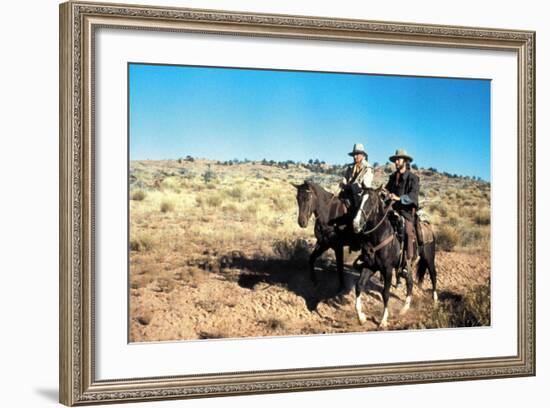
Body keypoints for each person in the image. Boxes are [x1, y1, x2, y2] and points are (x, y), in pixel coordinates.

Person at [385, 148, 419, 276]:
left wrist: (398, 198)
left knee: (407, 232)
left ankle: (406, 262)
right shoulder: (393, 177)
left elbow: (413, 197)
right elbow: (387, 189)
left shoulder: (413, 178)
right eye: (395, 160)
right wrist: (385, 193)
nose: (396, 162)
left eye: (398, 159)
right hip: (392, 209)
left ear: (405, 161)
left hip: (406, 212)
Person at [338, 143, 374, 208]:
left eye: (357, 154)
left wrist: (350, 186)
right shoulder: (350, 167)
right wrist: (343, 184)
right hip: (348, 193)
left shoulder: (367, 168)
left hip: (359, 197)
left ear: (362, 155)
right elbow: (345, 179)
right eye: (354, 155)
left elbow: (366, 185)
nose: (355, 157)